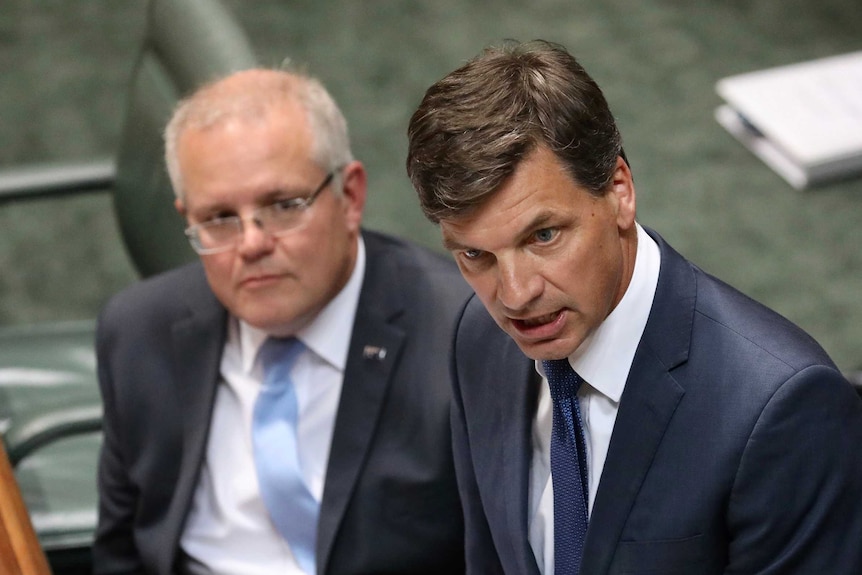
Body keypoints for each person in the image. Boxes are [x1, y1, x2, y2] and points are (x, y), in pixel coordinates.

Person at [405, 39, 862, 574]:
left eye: (544, 235)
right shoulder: (477, 337)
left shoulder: (780, 409)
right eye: (475, 254)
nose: (513, 296)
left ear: (619, 190)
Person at [93, 67, 470, 575]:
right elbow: (122, 555)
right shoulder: (138, 333)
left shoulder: (462, 335)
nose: (252, 244)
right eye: (220, 218)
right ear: (188, 218)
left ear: (350, 196)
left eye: (283, 206)